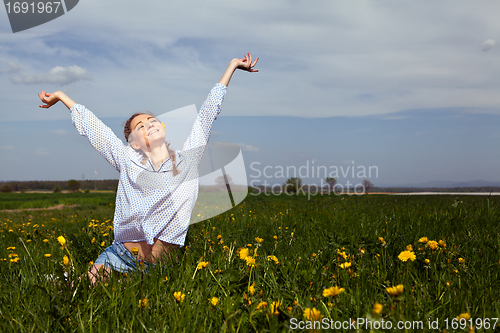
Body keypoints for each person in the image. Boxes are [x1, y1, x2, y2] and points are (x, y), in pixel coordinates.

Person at [38, 53, 259, 284]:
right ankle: (60, 280)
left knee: (130, 296)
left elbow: (207, 113)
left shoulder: (188, 161)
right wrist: (62, 97)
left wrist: (232, 66)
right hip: (120, 256)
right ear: (133, 143)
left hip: (160, 268)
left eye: (152, 120)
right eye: (140, 126)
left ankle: (63, 279)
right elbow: (96, 130)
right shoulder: (126, 160)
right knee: (79, 288)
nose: (149, 124)